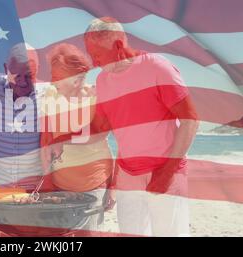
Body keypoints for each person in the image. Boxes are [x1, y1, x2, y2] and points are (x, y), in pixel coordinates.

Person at [84, 17, 199, 236]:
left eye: (97, 54)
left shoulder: (157, 66)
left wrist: (166, 173)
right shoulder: (102, 81)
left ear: (118, 45)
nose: (94, 62)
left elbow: (190, 120)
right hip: (128, 177)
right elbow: (98, 130)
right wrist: (61, 139)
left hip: (167, 172)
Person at [40, 43, 115, 235]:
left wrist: (113, 187)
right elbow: (46, 139)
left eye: (59, 77)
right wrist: (47, 183)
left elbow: (99, 133)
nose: (54, 81)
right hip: (60, 184)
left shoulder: (97, 98)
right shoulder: (51, 94)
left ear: (79, 78)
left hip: (93, 181)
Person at [0, 43, 42, 191]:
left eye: (29, 76)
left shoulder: (47, 95)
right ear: (5, 69)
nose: (22, 82)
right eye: (16, 76)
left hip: (34, 189)